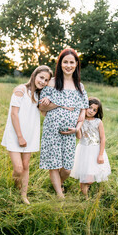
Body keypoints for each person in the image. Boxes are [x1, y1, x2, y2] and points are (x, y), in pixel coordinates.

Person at [39, 48, 89, 198]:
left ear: (76, 64)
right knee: (54, 164)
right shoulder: (52, 83)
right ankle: (60, 196)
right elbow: (41, 107)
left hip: (70, 132)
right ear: (60, 64)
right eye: (65, 62)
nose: (68, 65)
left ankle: (58, 184)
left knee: (67, 168)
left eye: (71, 62)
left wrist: (77, 129)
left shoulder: (80, 86)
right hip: (52, 129)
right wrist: (51, 102)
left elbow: (83, 111)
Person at [1, 65, 53, 204]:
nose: (43, 81)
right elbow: (14, 114)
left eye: (46, 80)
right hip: (16, 133)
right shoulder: (21, 90)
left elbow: (43, 113)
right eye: (41, 77)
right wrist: (19, 136)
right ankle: (15, 185)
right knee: (18, 168)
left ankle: (23, 194)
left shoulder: (40, 94)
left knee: (26, 165)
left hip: (31, 133)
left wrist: (47, 103)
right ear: (34, 75)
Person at [70, 97, 111, 199]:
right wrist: (78, 127)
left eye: (94, 110)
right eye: (89, 107)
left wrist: (101, 154)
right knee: (85, 176)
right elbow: (79, 137)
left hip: (95, 150)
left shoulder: (98, 122)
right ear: (85, 107)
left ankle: (87, 187)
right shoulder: (80, 120)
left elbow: (102, 138)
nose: (91, 111)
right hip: (83, 150)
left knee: (90, 178)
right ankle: (85, 197)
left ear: (97, 112)